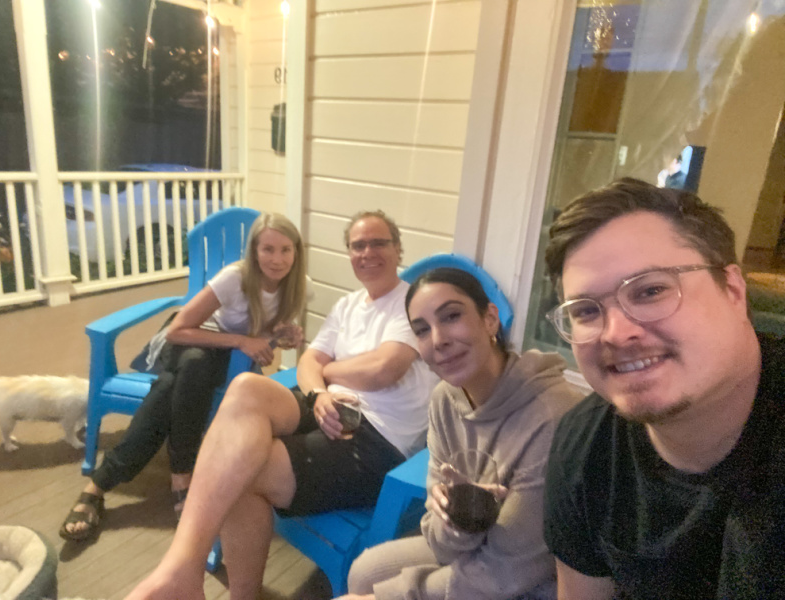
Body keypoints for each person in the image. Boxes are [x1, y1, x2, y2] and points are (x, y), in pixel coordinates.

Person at [125, 210, 437, 600]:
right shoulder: (348, 305)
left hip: (376, 438)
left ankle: (208, 586)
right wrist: (318, 392)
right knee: (247, 387)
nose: (368, 252)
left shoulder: (413, 302)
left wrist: (331, 371)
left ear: (398, 249)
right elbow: (309, 362)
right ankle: (181, 570)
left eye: (379, 243)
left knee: (240, 473)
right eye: (358, 245)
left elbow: (383, 369)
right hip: (327, 407)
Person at [542, 178, 785, 599]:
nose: (616, 334)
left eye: (651, 290)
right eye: (585, 311)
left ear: (732, 289)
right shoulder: (585, 447)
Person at [59, 212, 308, 542]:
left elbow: (261, 330)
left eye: (285, 250)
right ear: (254, 251)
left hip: (220, 357)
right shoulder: (235, 277)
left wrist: (280, 335)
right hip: (192, 339)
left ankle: (98, 485)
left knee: (172, 384)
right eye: (268, 249)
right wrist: (242, 340)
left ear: (296, 252)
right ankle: (181, 476)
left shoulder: (297, 287)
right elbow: (178, 331)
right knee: (192, 363)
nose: (277, 259)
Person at [338, 268, 582, 600]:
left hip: (543, 577)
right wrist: (456, 523)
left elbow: (508, 571)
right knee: (365, 572)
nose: (438, 340)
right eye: (422, 330)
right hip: (480, 548)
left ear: (490, 319)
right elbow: (437, 533)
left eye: (451, 316)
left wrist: (391, 596)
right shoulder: (444, 401)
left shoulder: (552, 416)